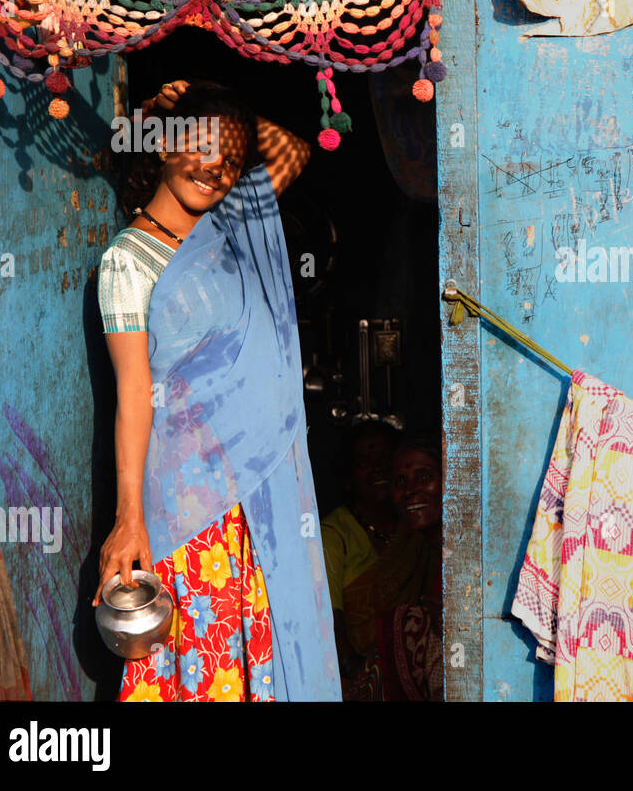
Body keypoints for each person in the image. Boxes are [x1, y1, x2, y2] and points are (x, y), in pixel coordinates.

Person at [95, 78, 340, 701]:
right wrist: (130, 518)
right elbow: (133, 394)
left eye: (231, 161)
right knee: (200, 669)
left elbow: (293, 151)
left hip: (253, 499)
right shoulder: (129, 262)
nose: (216, 171)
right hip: (186, 506)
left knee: (256, 661)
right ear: (166, 145)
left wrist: (228, 113)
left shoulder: (235, 232)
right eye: (201, 147)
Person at [322, 427, 443, 700]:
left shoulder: (444, 545)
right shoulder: (336, 535)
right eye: (400, 480)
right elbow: (328, 620)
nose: (410, 490)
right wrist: (360, 673)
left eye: (423, 477)